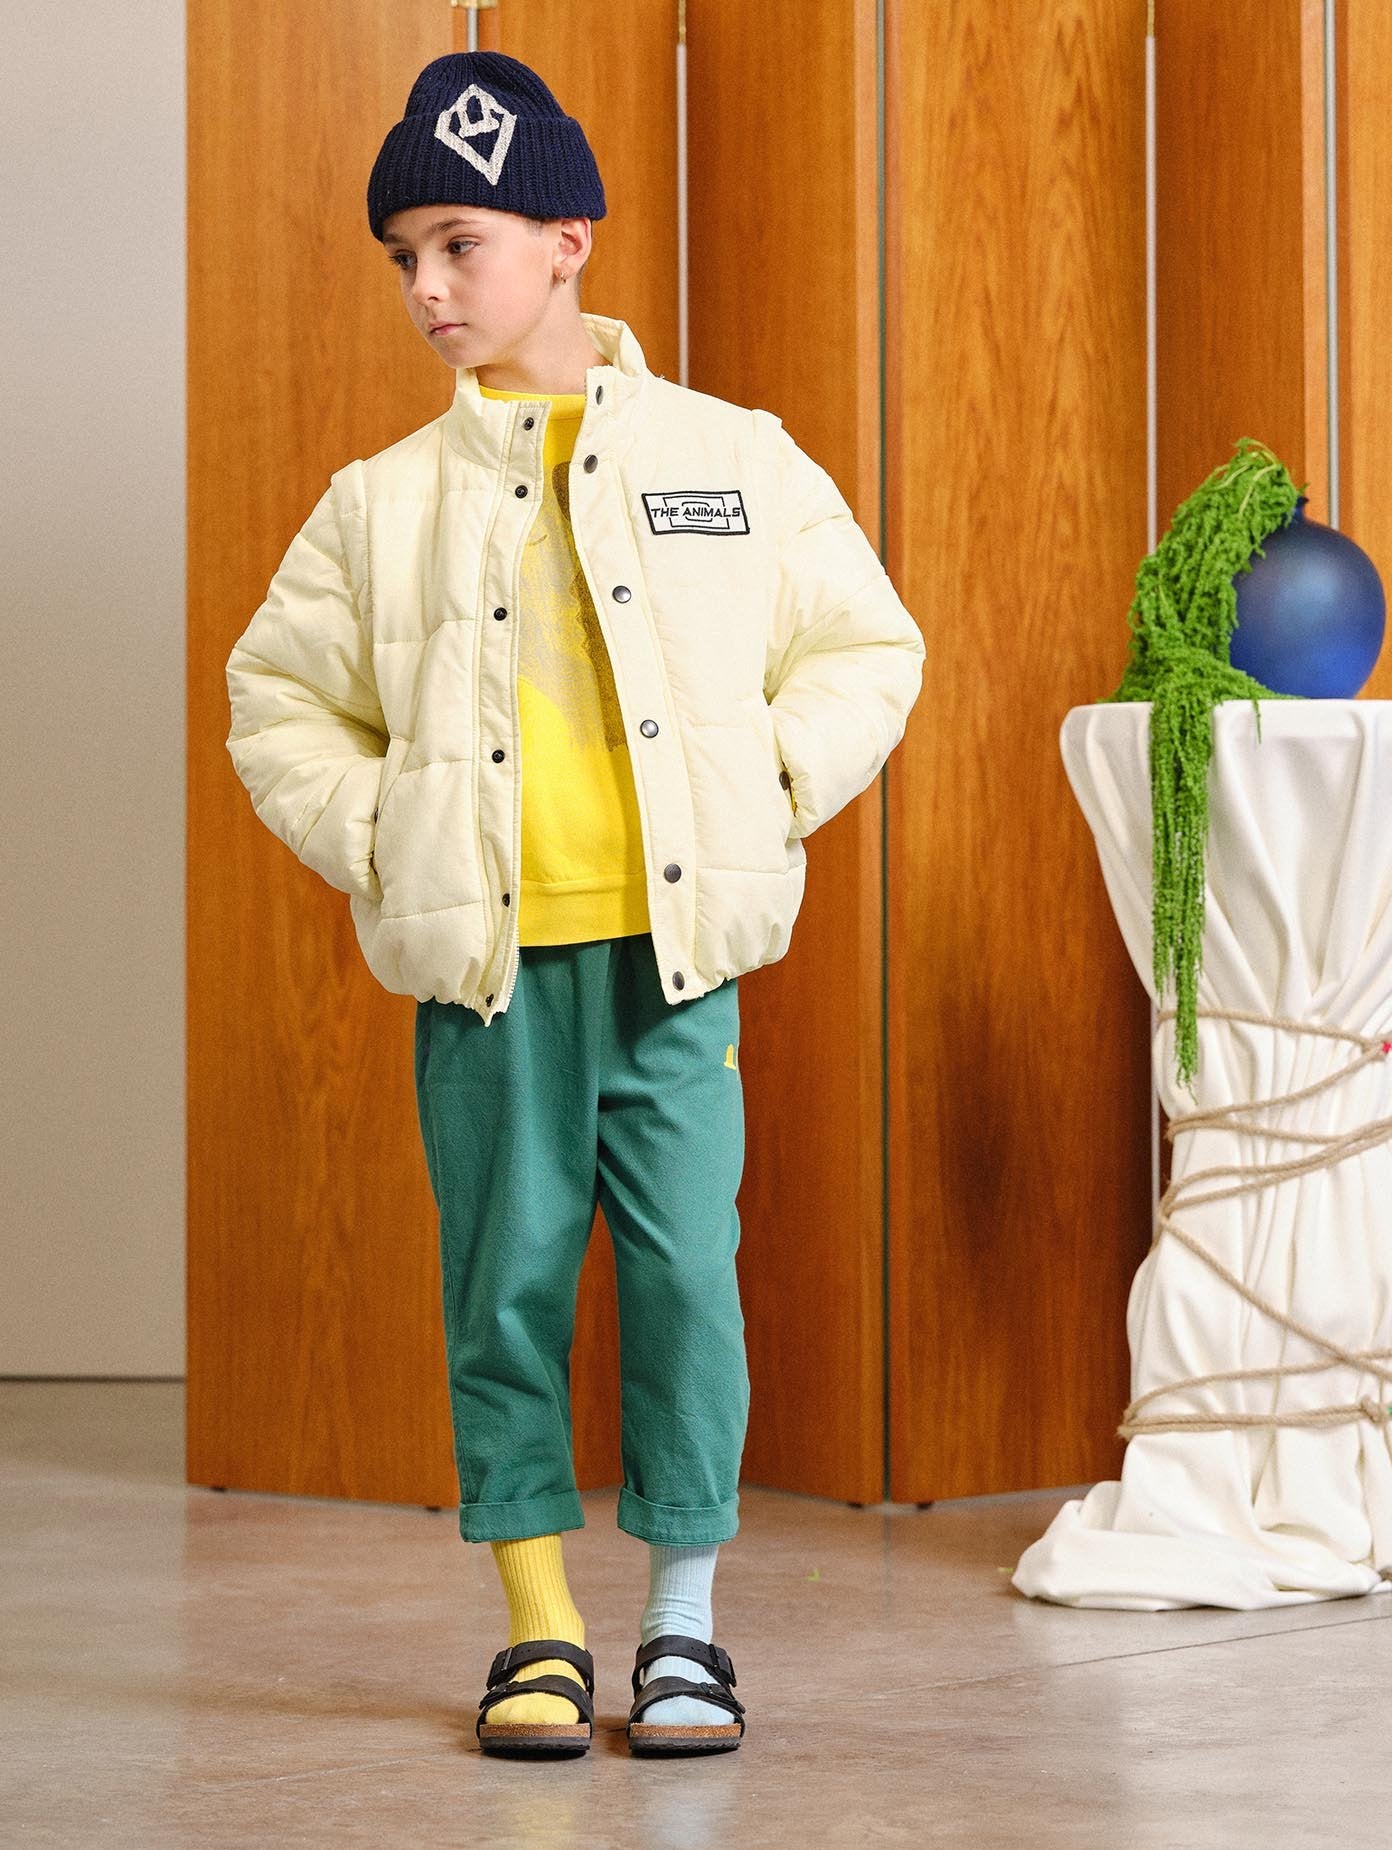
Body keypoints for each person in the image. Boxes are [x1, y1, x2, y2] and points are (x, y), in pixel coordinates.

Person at [223, 49, 925, 1759]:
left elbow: (864, 645)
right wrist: (391, 837)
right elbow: (275, 699)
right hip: (486, 973)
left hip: (672, 966)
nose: (427, 288)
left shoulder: (732, 457)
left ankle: (682, 1626)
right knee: (506, 1288)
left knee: (689, 1280)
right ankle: (538, 1627)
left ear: (568, 239)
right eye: (404, 257)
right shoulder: (379, 502)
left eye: (459, 244)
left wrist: (761, 789)